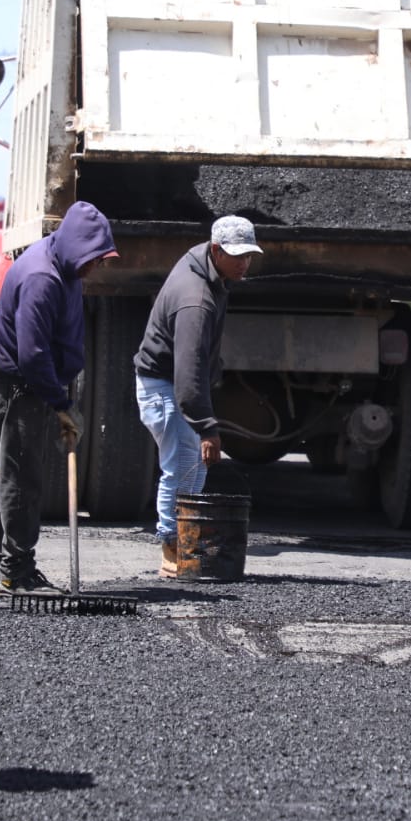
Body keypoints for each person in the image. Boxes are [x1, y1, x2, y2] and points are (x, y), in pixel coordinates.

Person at [0, 200, 118, 595]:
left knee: (14, 471)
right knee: (23, 478)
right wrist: (60, 403)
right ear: (75, 245)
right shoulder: (41, 278)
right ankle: (16, 570)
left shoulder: (67, 266)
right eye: (94, 257)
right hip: (20, 385)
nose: (96, 266)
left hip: (34, 382)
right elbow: (31, 355)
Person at [134, 216, 260, 577]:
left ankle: (183, 548)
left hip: (169, 386)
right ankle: (172, 549)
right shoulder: (196, 300)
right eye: (237, 256)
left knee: (190, 472)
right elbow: (187, 374)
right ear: (216, 250)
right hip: (166, 389)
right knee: (182, 471)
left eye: (249, 255)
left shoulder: (204, 265)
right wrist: (207, 427)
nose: (245, 263)